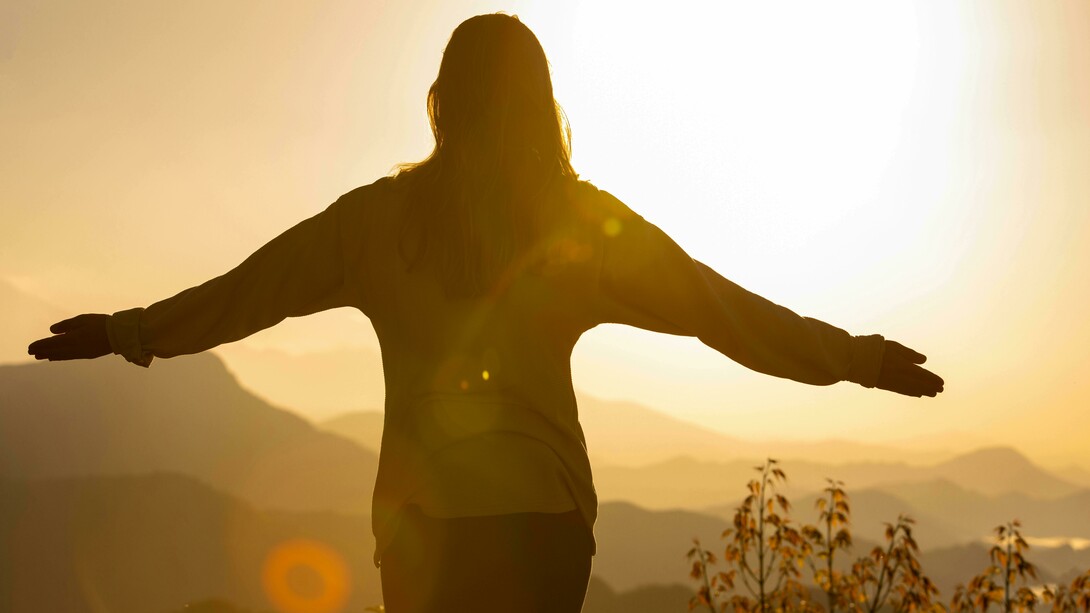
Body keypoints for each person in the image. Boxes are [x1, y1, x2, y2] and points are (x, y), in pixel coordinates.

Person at [28, 13, 944, 613]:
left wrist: (127, 331)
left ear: (444, 100)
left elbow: (249, 291)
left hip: (427, 537)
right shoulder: (581, 225)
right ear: (540, 103)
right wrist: (852, 356)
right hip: (543, 531)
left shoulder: (377, 223)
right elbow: (720, 309)